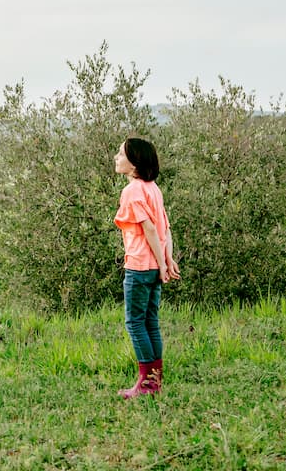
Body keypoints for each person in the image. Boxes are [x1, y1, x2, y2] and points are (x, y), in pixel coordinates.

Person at [112, 137, 179, 399]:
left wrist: (164, 264)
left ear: (135, 161)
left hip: (140, 265)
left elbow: (150, 229)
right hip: (153, 266)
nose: (116, 157)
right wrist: (167, 260)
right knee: (151, 322)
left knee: (135, 323)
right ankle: (154, 383)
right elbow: (166, 229)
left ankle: (147, 384)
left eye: (121, 154)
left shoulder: (132, 191)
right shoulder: (154, 189)